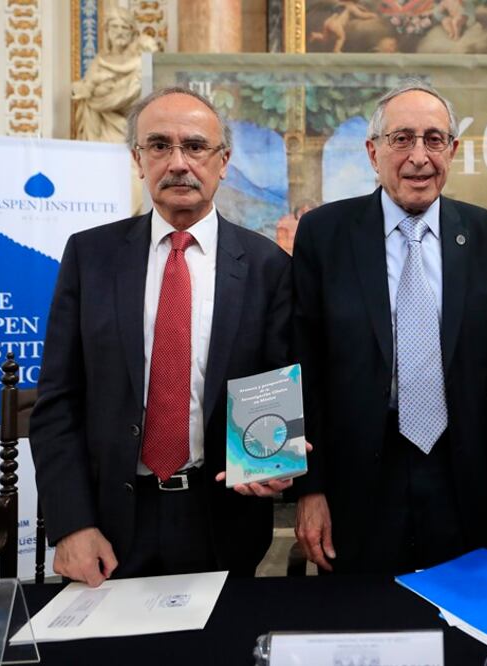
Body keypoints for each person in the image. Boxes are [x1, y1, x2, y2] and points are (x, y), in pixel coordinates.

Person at [291, 80, 487, 576]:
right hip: (358, 483)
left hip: (464, 480)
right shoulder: (324, 234)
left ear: (453, 150)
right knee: (371, 630)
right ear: (373, 152)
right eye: (402, 139)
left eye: (434, 139)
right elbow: (304, 363)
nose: (419, 155)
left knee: (467, 630)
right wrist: (310, 489)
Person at [31, 87, 293, 587]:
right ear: (138, 159)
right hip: (108, 525)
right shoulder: (91, 258)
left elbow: (279, 384)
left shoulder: (268, 267)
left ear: (223, 162)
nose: (178, 163)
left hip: (223, 519)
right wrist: (72, 524)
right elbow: (58, 403)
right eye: (159, 146)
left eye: (195, 147)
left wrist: (275, 462)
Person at [72, 7, 156, 143]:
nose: (119, 32)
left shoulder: (140, 63)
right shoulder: (100, 60)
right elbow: (86, 91)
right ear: (107, 31)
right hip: (100, 125)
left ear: (132, 32)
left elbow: (140, 95)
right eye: (115, 27)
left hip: (129, 124)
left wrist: (101, 92)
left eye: (124, 28)